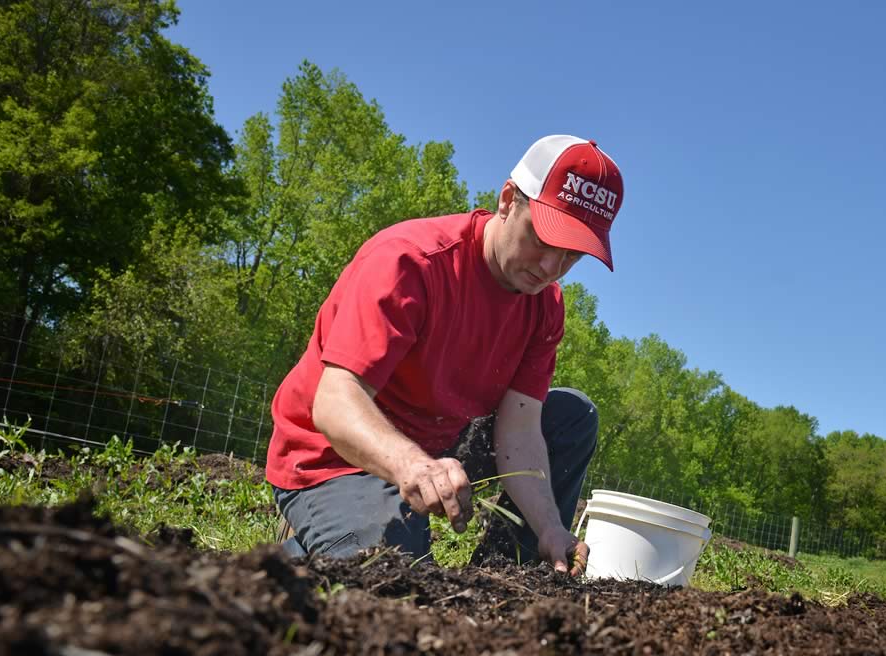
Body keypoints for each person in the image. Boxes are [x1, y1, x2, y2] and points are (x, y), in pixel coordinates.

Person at [265, 135, 624, 576]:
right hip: (335, 456)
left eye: (571, 255)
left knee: (571, 415)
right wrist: (411, 465)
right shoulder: (411, 263)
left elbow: (521, 429)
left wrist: (550, 527)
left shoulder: (544, 306)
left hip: (437, 446)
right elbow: (335, 401)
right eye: (542, 239)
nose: (551, 267)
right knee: (393, 571)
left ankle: (510, 572)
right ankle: (297, 554)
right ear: (509, 200)